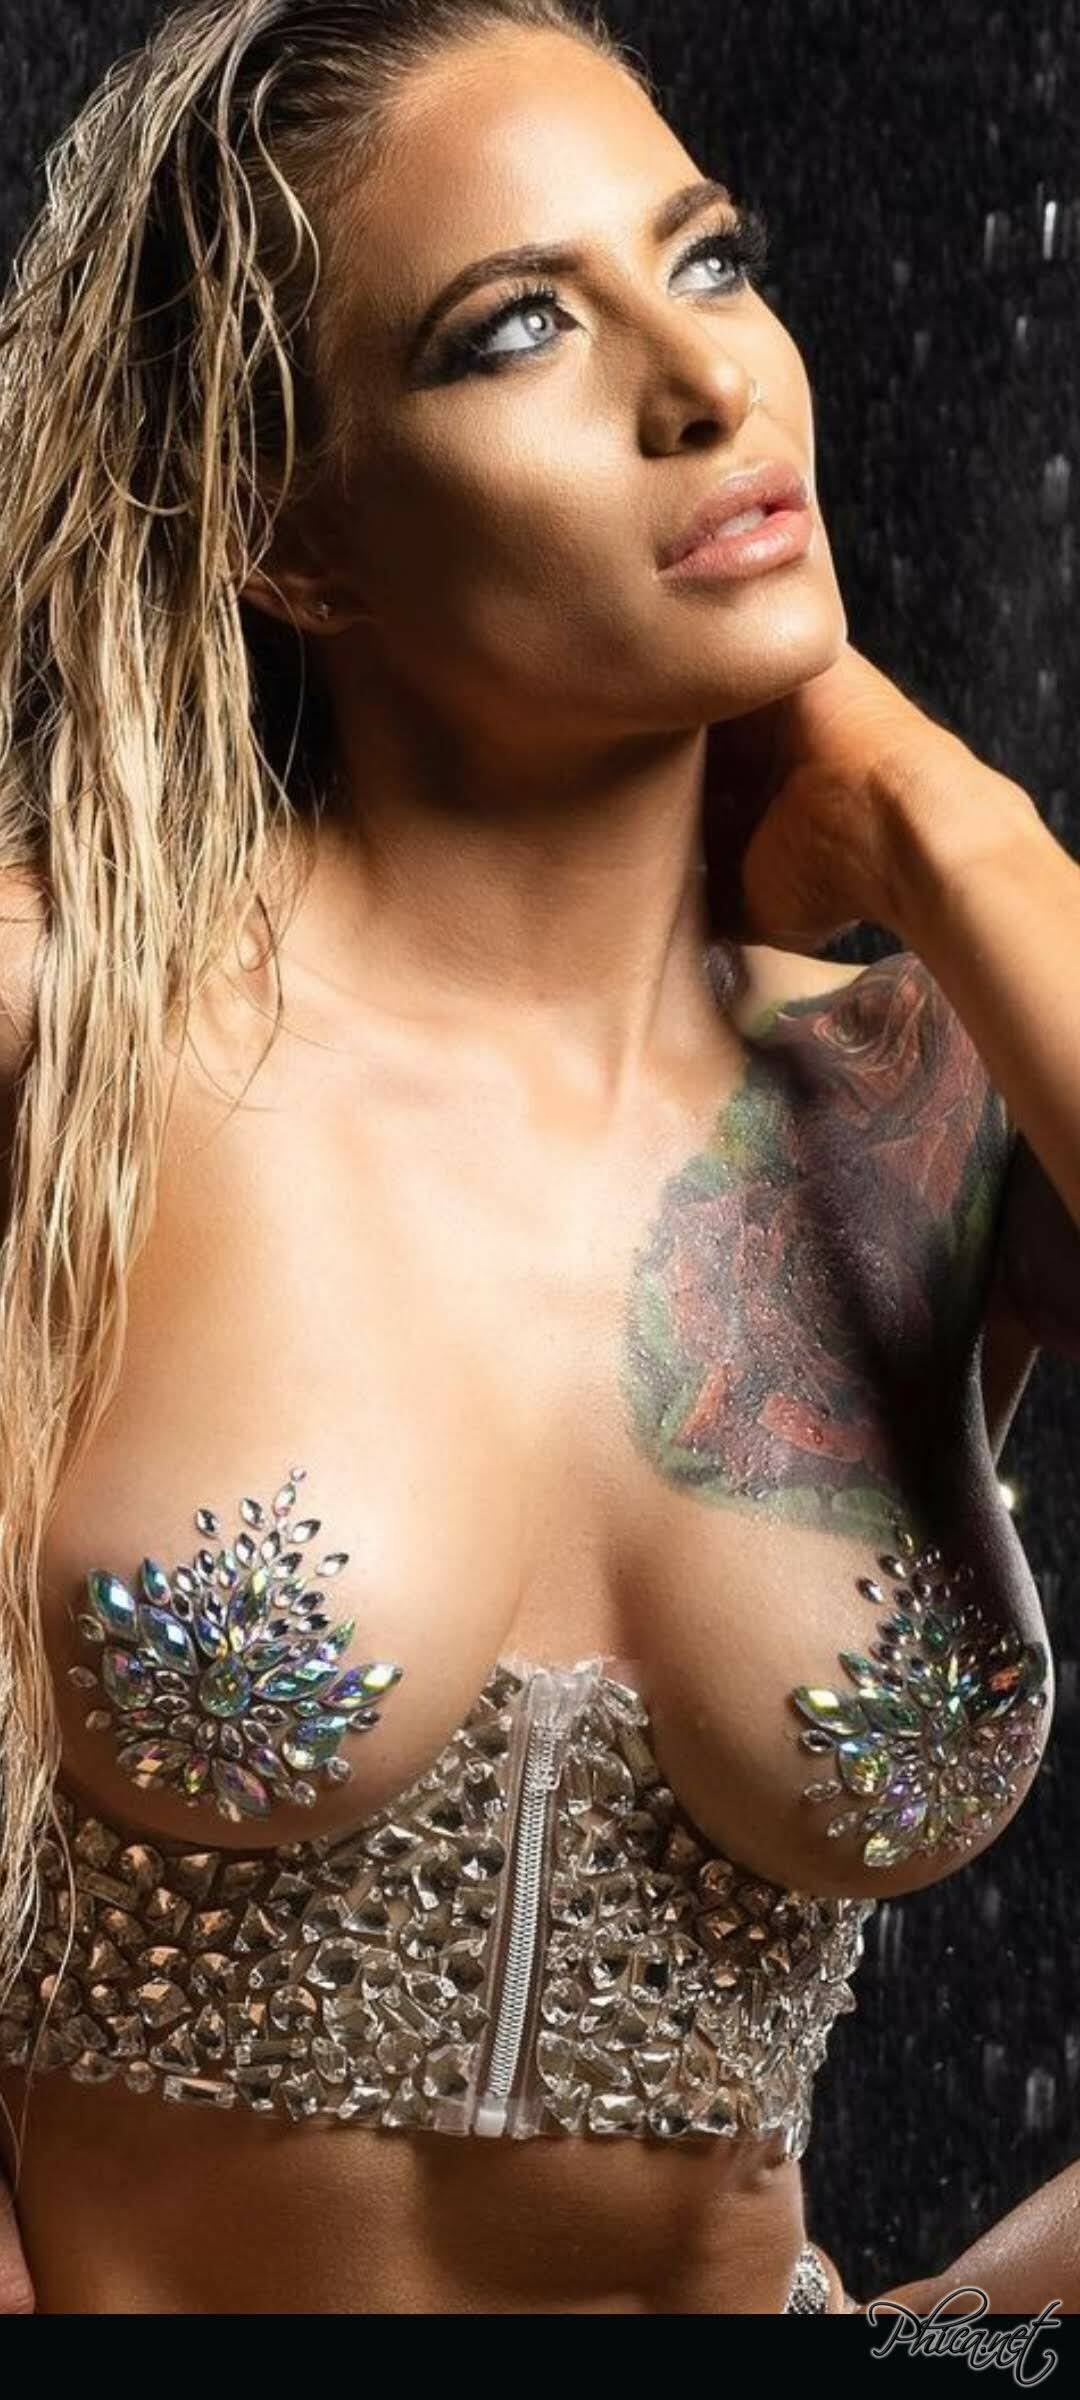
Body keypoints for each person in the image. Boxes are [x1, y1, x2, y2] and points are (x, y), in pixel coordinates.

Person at [0, 0, 1078, 2318]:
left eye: (711, 262)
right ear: (284, 525)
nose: (705, 388)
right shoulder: (63, 1027)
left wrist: (948, 823)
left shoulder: (931, 1095)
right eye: (518, 328)